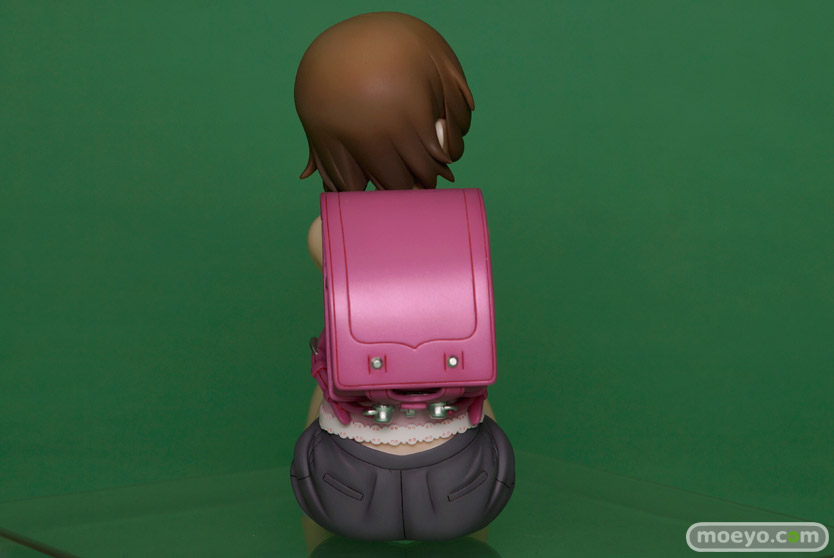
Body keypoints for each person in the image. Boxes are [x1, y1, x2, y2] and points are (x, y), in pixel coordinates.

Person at [290, 12, 514, 543]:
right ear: (440, 126)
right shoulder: (462, 223)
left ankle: (315, 537)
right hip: (462, 472)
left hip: (343, 471)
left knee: (327, 387)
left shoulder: (325, 233)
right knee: (476, 396)